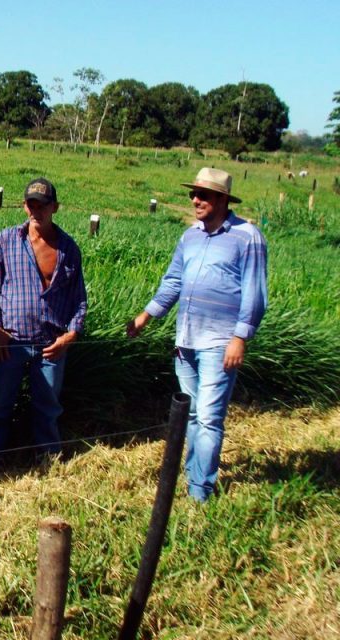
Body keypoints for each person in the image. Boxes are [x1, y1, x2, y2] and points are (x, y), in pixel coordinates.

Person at [126, 167, 268, 502]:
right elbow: (174, 280)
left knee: (208, 416)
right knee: (191, 412)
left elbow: (255, 293)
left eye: (203, 195)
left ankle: (200, 490)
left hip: (220, 343)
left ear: (222, 199)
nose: (195, 200)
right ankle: (194, 474)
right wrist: (147, 315)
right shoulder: (190, 236)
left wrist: (240, 337)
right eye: (194, 194)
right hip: (186, 339)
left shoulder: (248, 236)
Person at [0, 177, 87, 464]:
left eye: (43, 205)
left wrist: (71, 334)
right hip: (11, 342)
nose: (36, 210)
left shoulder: (68, 249)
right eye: (31, 204)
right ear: (25, 206)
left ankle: (48, 460)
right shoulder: (6, 240)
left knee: (48, 406)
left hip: (52, 344)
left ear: (55, 207)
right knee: (0, 404)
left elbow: (79, 298)